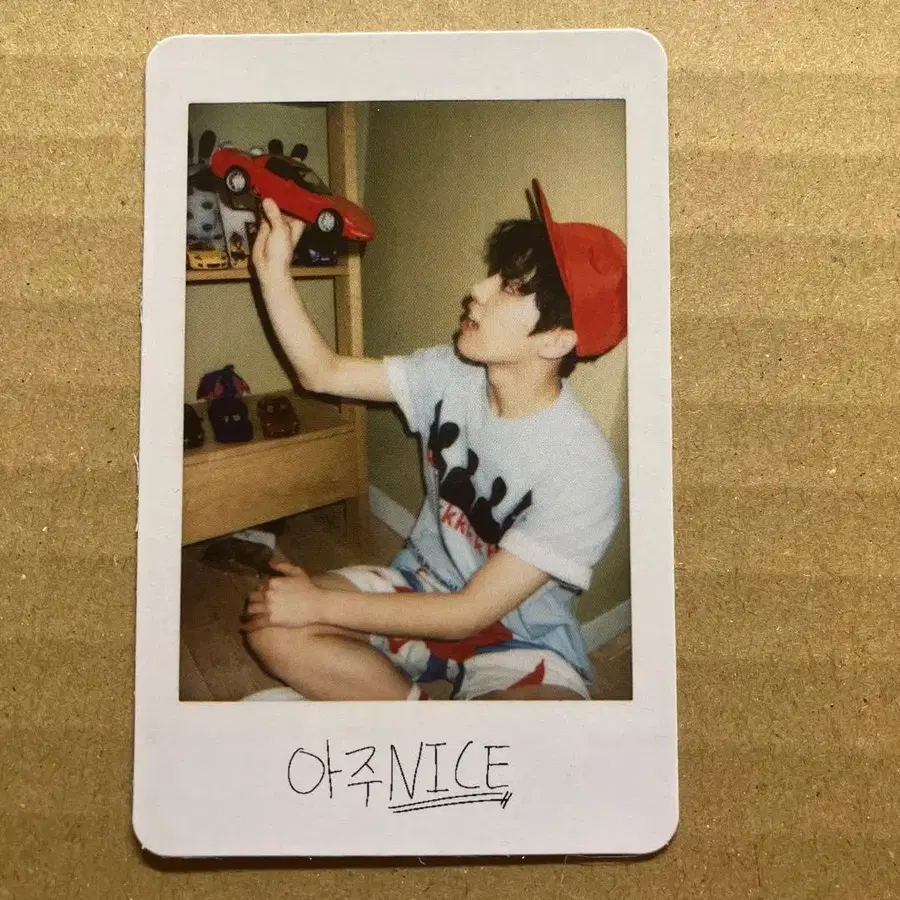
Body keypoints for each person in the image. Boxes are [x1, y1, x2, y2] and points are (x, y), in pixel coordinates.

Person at [241, 179, 627, 702]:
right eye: (496, 275)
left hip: (520, 634)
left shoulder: (585, 472)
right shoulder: (450, 373)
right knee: (270, 621)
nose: (478, 289)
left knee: (547, 729)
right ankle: (419, 718)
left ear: (558, 340)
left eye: (510, 287)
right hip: (421, 583)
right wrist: (273, 273)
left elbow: (469, 613)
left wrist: (319, 604)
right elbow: (322, 371)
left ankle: (405, 714)